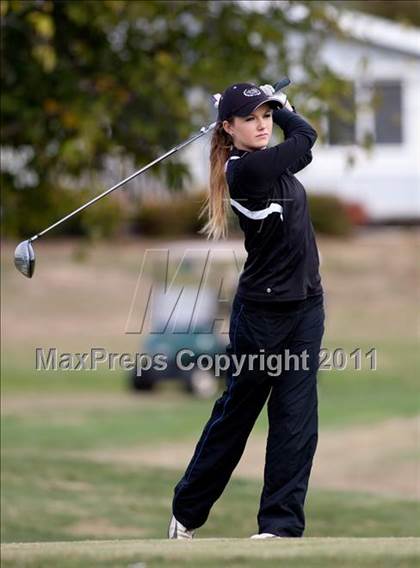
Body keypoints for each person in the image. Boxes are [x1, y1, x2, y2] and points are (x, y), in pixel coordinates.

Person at [168, 82, 325, 539]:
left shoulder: (267, 160)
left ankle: (280, 527)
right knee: (238, 413)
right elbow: (307, 139)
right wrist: (288, 106)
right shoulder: (247, 170)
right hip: (262, 315)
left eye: (267, 116)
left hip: (306, 306)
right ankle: (187, 509)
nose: (263, 125)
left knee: (297, 418)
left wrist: (268, 103)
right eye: (251, 118)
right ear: (229, 129)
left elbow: (300, 147)